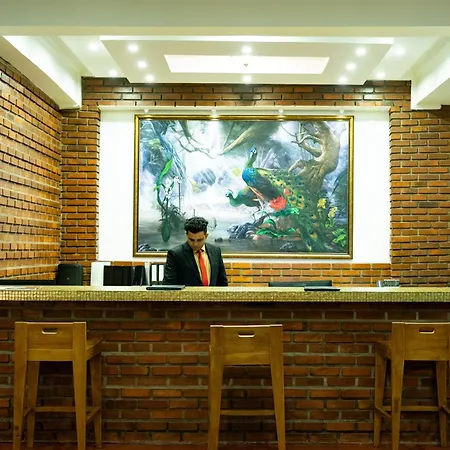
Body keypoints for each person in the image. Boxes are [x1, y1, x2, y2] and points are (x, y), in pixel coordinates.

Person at [162, 216, 228, 286]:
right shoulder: (176, 254)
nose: (195, 244)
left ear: (206, 236)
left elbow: (222, 282)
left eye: (199, 240)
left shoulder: (215, 251)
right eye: (191, 240)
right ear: (186, 236)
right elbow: (168, 285)